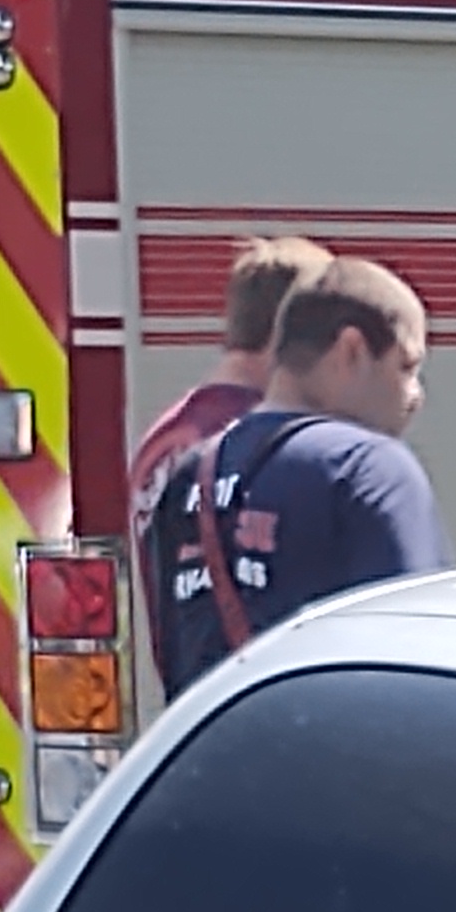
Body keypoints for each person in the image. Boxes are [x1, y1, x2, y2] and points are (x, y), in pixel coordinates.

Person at [144, 255, 454, 693]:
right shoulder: (370, 469)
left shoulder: (188, 477)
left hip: (221, 738)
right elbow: (428, 666)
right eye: (406, 367)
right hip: (335, 737)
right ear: (351, 350)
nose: (415, 395)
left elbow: (173, 659)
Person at [129, 233, 330, 689]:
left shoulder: (164, 438)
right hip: (261, 695)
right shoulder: (259, 441)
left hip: (194, 696)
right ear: (288, 332)